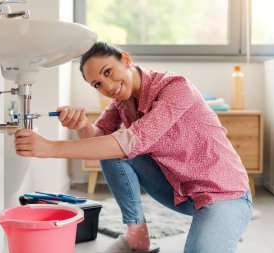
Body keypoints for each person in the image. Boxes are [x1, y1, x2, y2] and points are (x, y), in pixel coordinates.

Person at [14, 41, 253, 253]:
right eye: (98, 84)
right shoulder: (122, 102)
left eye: (108, 72)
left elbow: (128, 143)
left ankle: (225, 223)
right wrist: (82, 124)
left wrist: (51, 149)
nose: (107, 86)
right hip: (180, 193)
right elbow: (100, 139)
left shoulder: (175, 88)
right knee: (112, 150)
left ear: (125, 59)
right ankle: (137, 236)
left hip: (223, 194)